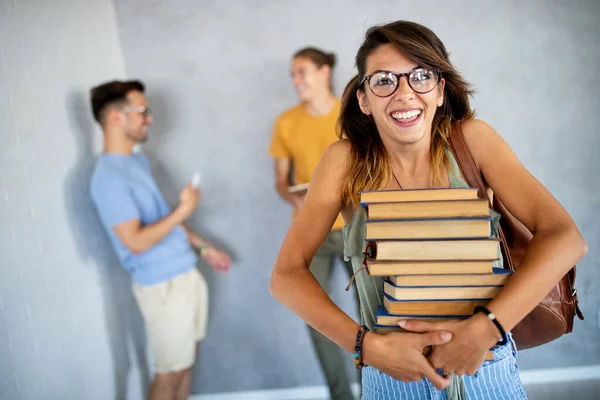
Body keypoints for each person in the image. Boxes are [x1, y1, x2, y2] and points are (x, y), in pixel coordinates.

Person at [270, 21, 587, 399]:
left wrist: (487, 328)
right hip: (390, 382)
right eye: (384, 80)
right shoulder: (344, 161)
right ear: (364, 99)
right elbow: (286, 275)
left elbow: (565, 237)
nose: (404, 93)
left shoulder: (473, 140)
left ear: (440, 89)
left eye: (420, 76)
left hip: (487, 371)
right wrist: (366, 347)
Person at [89, 80, 231, 400]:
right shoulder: (107, 178)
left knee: (184, 366)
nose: (149, 118)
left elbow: (161, 219)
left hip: (185, 276)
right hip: (161, 287)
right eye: (142, 111)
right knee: (169, 372)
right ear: (115, 117)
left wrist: (203, 247)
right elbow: (136, 242)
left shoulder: (136, 162)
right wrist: (184, 210)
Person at [269, 47, 358, 400]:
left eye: (302, 71)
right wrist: (292, 196)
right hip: (311, 233)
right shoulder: (286, 122)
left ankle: (376, 389)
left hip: (355, 228)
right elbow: (280, 179)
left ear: (324, 73)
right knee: (314, 315)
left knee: (371, 311)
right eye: (293, 74)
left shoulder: (350, 113)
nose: (296, 80)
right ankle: (340, 395)